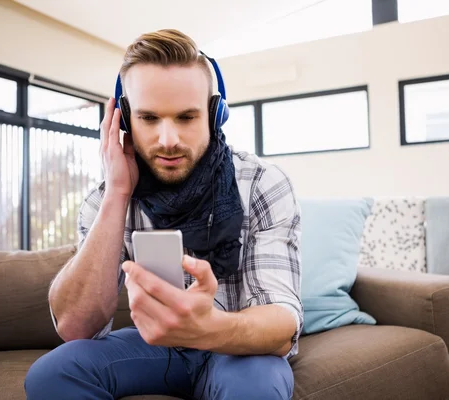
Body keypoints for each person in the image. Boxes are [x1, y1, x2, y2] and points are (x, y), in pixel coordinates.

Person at [24, 28, 303, 400]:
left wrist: (205, 327)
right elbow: (75, 325)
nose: (168, 139)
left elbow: (281, 324)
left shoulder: (262, 183)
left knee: (255, 387)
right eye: (149, 118)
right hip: (151, 348)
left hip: (237, 345)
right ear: (123, 121)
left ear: (214, 115)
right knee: (52, 374)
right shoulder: (104, 198)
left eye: (186, 117)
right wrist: (118, 192)